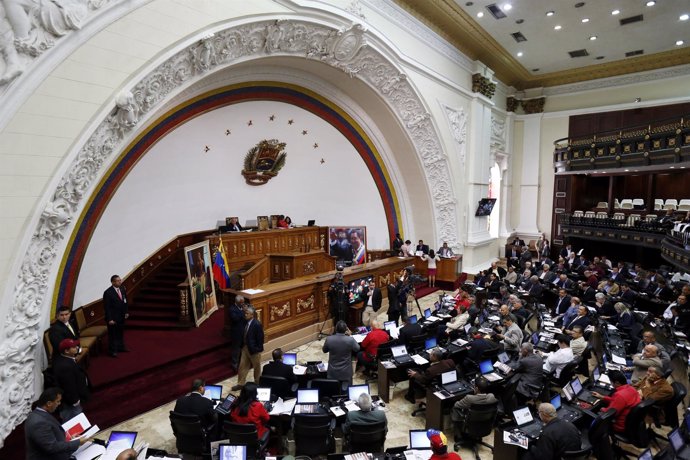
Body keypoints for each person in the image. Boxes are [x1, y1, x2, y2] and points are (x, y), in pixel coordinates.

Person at [25, 387, 90, 460]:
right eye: (58, 401)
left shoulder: (39, 414)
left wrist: (69, 438)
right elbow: (51, 447)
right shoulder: (38, 422)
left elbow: (51, 436)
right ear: (49, 403)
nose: (59, 404)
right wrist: (77, 442)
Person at [52, 339, 90, 421]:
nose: (76, 347)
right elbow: (68, 386)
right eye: (73, 347)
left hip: (72, 400)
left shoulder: (66, 359)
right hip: (71, 404)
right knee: (74, 423)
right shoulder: (65, 367)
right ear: (66, 351)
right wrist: (75, 401)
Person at [451, 376, 497, 443]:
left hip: (470, 425)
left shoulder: (469, 398)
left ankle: (459, 436)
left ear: (476, 388)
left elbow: (456, 405)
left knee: (454, 409)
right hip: (485, 424)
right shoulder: (491, 397)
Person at [233, 305, 264, 390]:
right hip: (245, 348)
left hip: (254, 350)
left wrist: (257, 349)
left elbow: (260, 338)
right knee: (242, 366)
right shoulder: (245, 322)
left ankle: (257, 383)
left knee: (256, 368)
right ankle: (240, 384)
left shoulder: (257, 324)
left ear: (252, 315)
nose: (245, 314)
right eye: (245, 313)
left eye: (247, 313)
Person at [323, 320, 360, 387]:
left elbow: (324, 350)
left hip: (333, 372)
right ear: (346, 330)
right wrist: (350, 335)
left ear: (335, 329)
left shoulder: (329, 339)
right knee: (346, 393)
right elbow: (357, 348)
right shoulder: (350, 340)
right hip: (346, 372)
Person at [103, 274, 129, 357]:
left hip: (121, 316)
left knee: (120, 333)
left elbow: (125, 301)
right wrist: (109, 319)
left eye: (120, 280)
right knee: (112, 335)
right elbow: (107, 307)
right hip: (113, 318)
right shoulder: (108, 292)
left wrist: (126, 312)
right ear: (112, 282)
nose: (120, 282)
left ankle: (120, 347)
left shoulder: (122, 289)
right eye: (117, 281)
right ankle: (112, 351)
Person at [228, 295, 247, 371]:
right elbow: (235, 319)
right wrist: (243, 311)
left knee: (244, 348)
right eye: (241, 303)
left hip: (244, 331)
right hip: (236, 333)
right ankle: (234, 364)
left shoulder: (244, 307)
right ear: (237, 302)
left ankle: (243, 363)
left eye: (243, 302)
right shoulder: (232, 309)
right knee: (236, 349)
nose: (243, 304)